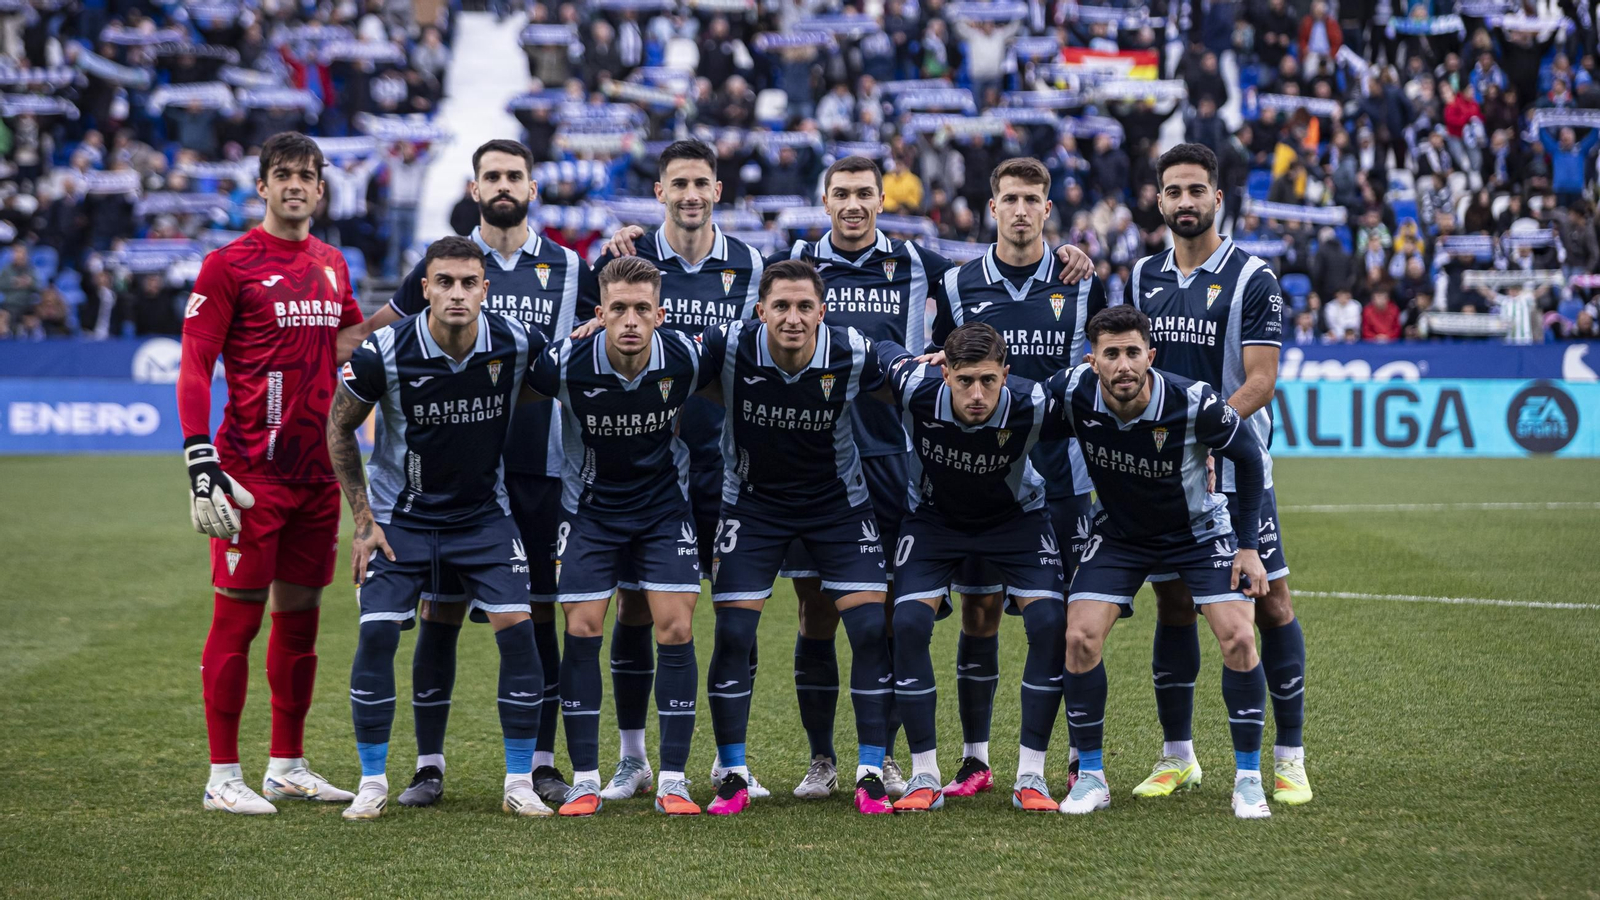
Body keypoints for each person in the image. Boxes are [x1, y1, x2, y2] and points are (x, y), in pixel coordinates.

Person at [601, 154, 1094, 800]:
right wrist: (624, 245)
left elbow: (993, 279)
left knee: (884, 615)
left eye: (866, 193)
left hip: (889, 462)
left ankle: (884, 757)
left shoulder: (921, 265)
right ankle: (814, 760)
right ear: (825, 200)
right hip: (795, 458)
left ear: (881, 199)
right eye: (843, 194)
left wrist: (1067, 257)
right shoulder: (797, 257)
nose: (855, 204)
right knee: (808, 611)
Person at [361, 139, 598, 808]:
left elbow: (598, 339)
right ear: (474, 187)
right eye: (491, 175)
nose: (502, 185)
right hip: (462, 476)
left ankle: (541, 764)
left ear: (532, 186)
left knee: (538, 619)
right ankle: (428, 766)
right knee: (440, 611)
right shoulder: (442, 265)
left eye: (513, 175)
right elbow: (381, 342)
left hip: (545, 469)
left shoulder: (571, 267)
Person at [330, 236, 551, 820]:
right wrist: (361, 520)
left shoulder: (516, 342)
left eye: (468, 282)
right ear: (424, 288)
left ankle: (519, 779)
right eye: (445, 282)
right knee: (378, 634)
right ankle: (372, 781)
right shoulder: (386, 351)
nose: (457, 292)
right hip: (402, 519)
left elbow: (554, 380)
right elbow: (339, 428)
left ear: (485, 288)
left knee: (518, 630)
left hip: (483, 517)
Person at [176, 132, 364, 814]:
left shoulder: (332, 263)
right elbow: (196, 364)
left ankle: (287, 764)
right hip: (250, 474)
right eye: (282, 174)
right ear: (261, 185)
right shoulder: (229, 264)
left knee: (302, 621)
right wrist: (202, 460)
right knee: (238, 620)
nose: (295, 185)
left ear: (320, 189)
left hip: (318, 474)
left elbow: (348, 346)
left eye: (306, 176)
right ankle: (222, 776)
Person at [1121, 142, 1310, 806]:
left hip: (1236, 468)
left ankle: (1289, 758)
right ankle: (1179, 757)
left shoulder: (1253, 277)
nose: (1184, 202)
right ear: (1160, 199)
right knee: (1173, 603)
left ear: (1217, 199)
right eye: (1172, 192)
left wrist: (1206, 433)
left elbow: (1261, 381)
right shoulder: (1142, 276)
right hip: (1165, 475)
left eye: (1196, 190)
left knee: (1270, 604)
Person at [583, 140, 771, 802]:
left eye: (701, 182)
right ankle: (634, 759)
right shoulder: (625, 261)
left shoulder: (750, 266)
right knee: (638, 608)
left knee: (733, 610)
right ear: (659, 191)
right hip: (646, 472)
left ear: (718, 191)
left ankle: (730, 758)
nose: (690, 193)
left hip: (727, 467)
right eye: (678, 183)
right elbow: (589, 340)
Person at [927, 156, 1108, 796]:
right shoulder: (955, 286)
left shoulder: (1083, 283)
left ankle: (1076, 756)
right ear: (993, 208)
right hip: (982, 481)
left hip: (1061, 481)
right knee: (978, 615)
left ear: (1048, 209)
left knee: (1066, 624)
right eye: (1011, 199)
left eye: (1034, 199)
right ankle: (976, 760)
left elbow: (1094, 373)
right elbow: (937, 371)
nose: (1022, 210)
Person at [1050, 305, 1272, 819]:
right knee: (1079, 637)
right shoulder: (1072, 391)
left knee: (1239, 636)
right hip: (1122, 535)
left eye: (1133, 352)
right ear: (1093, 360)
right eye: (1111, 354)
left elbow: (1250, 456)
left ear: (1150, 355)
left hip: (1197, 533)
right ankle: (1092, 777)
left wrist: (1247, 546)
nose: (1123, 365)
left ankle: (1248, 779)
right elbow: (1013, 403)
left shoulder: (1193, 402)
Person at [697, 260, 897, 816]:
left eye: (804, 306)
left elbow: (900, 376)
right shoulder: (729, 346)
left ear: (822, 312)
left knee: (866, 630)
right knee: (735, 631)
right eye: (780, 306)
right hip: (753, 503)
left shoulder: (851, 350)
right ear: (759, 310)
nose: (792, 317)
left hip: (837, 504)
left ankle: (871, 771)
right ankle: (733, 772)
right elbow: (664, 361)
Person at [524, 256, 716, 817]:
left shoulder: (686, 355)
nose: (629, 321)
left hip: (662, 510)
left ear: (660, 313)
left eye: (640, 309)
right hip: (590, 512)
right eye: (617, 310)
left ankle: (674, 780)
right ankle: (585, 778)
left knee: (676, 627)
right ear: (598, 313)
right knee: (582, 627)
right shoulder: (564, 363)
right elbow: (518, 395)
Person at [873, 323, 1070, 813]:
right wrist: (912, 356)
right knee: (909, 621)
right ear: (945, 372)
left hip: (1016, 520)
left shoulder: (1034, 402)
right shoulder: (916, 387)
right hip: (934, 520)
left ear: (1007, 373)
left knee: (1049, 623)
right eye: (964, 381)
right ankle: (924, 775)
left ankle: (1032, 776)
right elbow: (881, 347)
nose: (977, 394)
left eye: (988, 380)